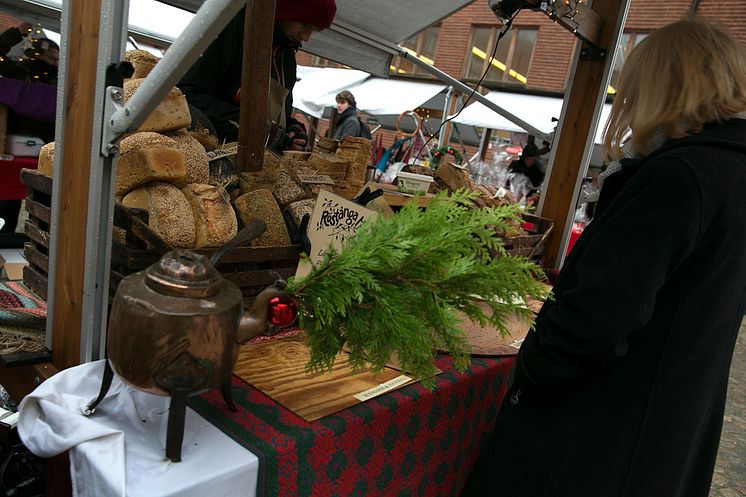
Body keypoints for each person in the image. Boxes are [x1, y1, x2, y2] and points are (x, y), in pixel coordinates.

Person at [461, 18, 746, 497]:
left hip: (601, 434)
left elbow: (597, 320)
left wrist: (531, 370)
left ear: (661, 85)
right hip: (671, 423)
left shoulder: (680, 176)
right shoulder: (731, 170)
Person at [178, 0, 337, 150]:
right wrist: (253, 126)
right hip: (212, 152)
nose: (306, 37)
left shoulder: (287, 56)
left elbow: (276, 117)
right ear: (286, 11)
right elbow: (187, 96)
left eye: (314, 31)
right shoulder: (232, 29)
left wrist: (293, 129)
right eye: (305, 25)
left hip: (260, 164)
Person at [506, 137, 548, 204]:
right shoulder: (515, 165)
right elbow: (507, 180)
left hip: (527, 200)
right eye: (529, 159)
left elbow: (537, 187)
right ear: (525, 157)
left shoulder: (537, 171)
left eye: (534, 160)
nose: (531, 162)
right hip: (511, 195)